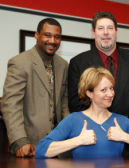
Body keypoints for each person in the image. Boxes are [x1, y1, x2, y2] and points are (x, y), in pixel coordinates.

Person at [35, 67, 129, 159]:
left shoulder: (121, 121)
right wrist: (78, 140)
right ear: (89, 93)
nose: (110, 94)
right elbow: (41, 150)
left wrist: (125, 136)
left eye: (111, 88)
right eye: (103, 90)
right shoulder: (74, 119)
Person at [1, 18, 70, 157]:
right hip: (30, 146)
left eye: (57, 37)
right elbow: (11, 105)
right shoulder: (19, 62)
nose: (52, 41)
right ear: (37, 35)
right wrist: (20, 140)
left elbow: (64, 104)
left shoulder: (63, 65)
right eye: (47, 35)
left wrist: (70, 136)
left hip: (60, 147)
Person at [68, 11, 129, 133]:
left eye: (110, 28)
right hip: (95, 134)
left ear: (116, 32)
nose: (106, 32)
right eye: (101, 28)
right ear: (93, 33)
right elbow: (76, 105)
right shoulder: (78, 63)